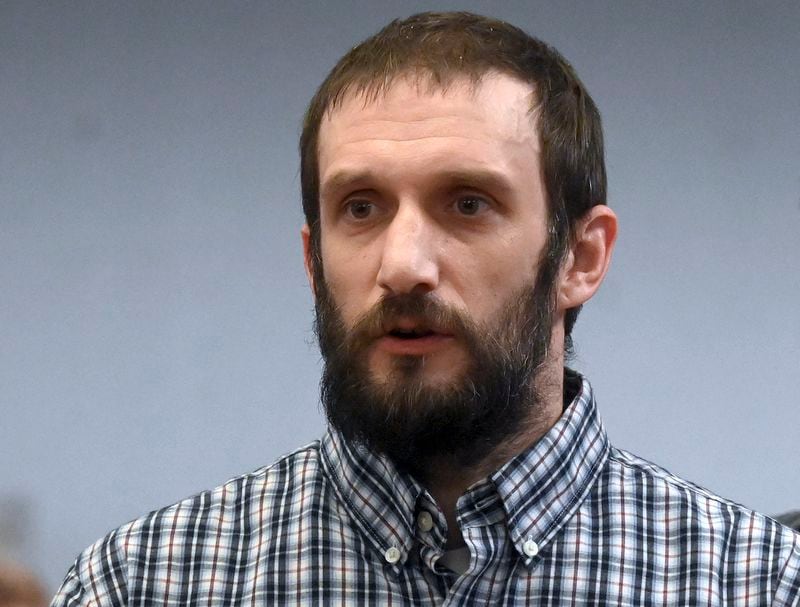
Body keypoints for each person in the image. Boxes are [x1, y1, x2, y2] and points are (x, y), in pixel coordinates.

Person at [52, 11, 800, 605]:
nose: (402, 264)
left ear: (580, 257)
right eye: (362, 206)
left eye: (468, 203)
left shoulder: (757, 582)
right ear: (313, 262)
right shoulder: (143, 582)